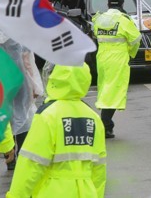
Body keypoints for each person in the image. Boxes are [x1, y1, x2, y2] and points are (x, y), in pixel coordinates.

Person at [6, 64, 106, 198]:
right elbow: (99, 169)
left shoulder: (48, 115)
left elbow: (31, 163)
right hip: (87, 192)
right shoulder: (93, 118)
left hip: (52, 191)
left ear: (56, 78)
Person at [93, 0, 141, 138]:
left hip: (102, 57)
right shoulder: (123, 19)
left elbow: (96, 34)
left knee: (104, 88)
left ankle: (106, 123)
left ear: (108, 4)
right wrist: (131, 53)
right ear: (122, 4)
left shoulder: (99, 18)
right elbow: (135, 39)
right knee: (113, 90)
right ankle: (105, 124)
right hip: (118, 58)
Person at [0, 29, 44, 170]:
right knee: (23, 116)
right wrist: (35, 86)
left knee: (8, 119)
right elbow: (28, 62)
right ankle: (21, 155)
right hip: (20, 82)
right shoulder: (19, 34)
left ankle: (10, 156)